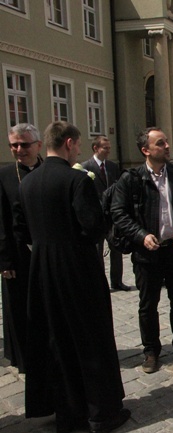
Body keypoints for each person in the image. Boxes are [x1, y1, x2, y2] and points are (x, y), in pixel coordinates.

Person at [15, 121, 129, 433]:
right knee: (90, 337)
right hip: (76, 267)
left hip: (41, 269)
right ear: (68, 143)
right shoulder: (76, 180)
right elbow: (92, 228)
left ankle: (68, 410)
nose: (78, 150)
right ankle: (101, 412)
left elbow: (20, 229)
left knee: (56, 338)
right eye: (77, 145)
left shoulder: (26, 183)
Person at [111, 127, 173, 374]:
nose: (167, 146)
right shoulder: (131, 179)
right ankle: (151, 351)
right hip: (147, 252)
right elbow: (118, 213)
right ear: (146, 150)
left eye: (166, 142)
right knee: (148, 304)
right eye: (160, 143)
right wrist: (141, 236)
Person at [0, 123, 42, 373]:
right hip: (17, 255)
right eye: (14, 145)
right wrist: (4, 261)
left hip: (44, 251)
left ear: (37, 145)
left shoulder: (49, 169)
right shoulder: (5, 175)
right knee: (20, 308)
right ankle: (24, 357)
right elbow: (1, 221)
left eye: (24, 144)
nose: (18, 149)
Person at [81, 136, 130, 292]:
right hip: (95, 216)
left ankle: (117, 281)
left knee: (116, 248)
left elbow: (118, 188)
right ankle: (100, 283)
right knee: (97, 251)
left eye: (109, 148)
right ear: (96, 148)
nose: (109, 151)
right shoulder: (85, 167)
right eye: (105, 148)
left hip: (112, 216)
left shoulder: (112, 166)